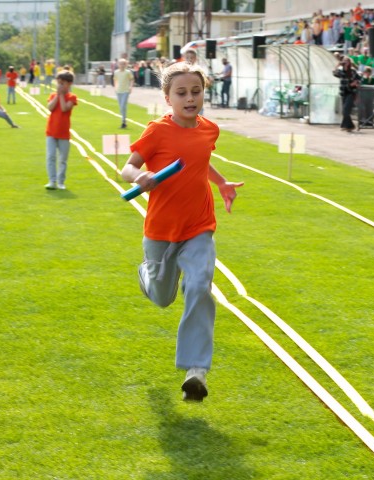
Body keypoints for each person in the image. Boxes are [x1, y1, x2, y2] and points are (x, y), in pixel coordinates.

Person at [120, 61, 242, 402]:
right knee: (162, 297)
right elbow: (127, 168)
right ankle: (147, 274)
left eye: (196, 92)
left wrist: (221, 183)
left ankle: (196, 371)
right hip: (161, 230)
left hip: (199, 226)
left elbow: (199, 159)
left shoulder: (209, 129)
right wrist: (140, 177)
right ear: (167, 98)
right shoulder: (157, 131)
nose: (190, 98)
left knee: (200, 285)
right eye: (182, 93)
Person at [44, 71, 78, 190]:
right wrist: (57, 95)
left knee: (63, 159)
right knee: (51, 156)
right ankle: (52, 181)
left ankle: (60, 182)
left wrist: (62, 95)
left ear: (69, 84)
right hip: (51, 131)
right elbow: (50, 107)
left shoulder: (72, 97)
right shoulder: (53, 95)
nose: (59, 86)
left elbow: (64, 108)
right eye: (58, 83)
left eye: (62, 83)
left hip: (63, 133)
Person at [334, 56, 361, 132]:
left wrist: (356, 83)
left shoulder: (352, 71)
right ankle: (346, 125)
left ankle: (349, 126)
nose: (345, 62)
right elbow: (334, 73)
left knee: (346, 110)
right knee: (344, 111)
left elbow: (359, 78)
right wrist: (338, 65)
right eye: (344, 61)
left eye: (347, 61)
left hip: (351, 92)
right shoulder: (341, 71)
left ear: (349, 63)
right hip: (343, 93)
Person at [113, 58, 135, 129]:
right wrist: (115, 87)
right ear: (118, 64)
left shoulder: (128, 72)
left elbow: (132, 79)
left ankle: (123, 121)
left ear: (125, 65)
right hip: (119, 91)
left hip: (125, 91)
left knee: (123, 106)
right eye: (121, 64)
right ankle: (124, 121)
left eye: (123, 64)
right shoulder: (116, 72)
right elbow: (115, 80)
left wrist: (131, 87)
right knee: (121, 107)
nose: (122, 65)